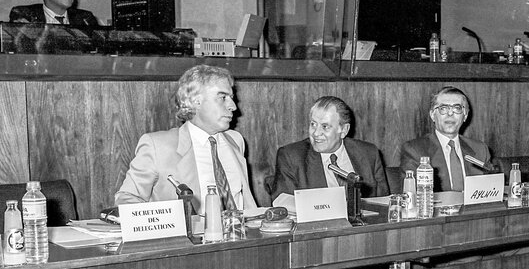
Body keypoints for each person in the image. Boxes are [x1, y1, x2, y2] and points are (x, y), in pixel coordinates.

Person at [115, 65, 256, 212]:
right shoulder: (157, 146)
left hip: (241, 232)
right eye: (223, 97)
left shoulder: (236, 140)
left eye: (231, 98)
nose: (233, 106)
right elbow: (126, 198)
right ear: (196, 101)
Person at [271, 96, 389, 204]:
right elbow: (283, 207)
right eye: (313, 124)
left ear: (343, 130)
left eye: (325, 126)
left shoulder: (369, 153)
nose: (316, 133)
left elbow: (383, 203)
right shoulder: (291, 157)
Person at [398, 86, 492, 192]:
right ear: (433, 115)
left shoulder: (480, 149)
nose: (450, 114)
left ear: (465, 115)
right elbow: (412, 195)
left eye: (457, 108)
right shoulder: (415, 150)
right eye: (443, 108)